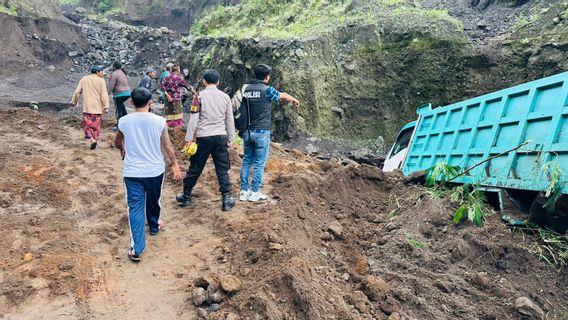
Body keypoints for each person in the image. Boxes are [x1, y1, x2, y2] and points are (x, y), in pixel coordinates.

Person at [114, 87, 182, 262]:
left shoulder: (124, 121)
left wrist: (122, 149)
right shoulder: (159, 121)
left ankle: (137, 249)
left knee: (135, 208)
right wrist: (174, 164)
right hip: (155, 170)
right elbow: (167, 146)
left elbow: (117, 140)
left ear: (131, 102)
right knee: (154, 200)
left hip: (133, 172)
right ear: (151, 103)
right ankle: (154, 225)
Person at [238, 64, 300, 202]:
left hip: (247, 131)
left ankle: (243, 191)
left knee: (247, 161)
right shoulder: (267, 90)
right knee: (259, 163)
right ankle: (255, 192)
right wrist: (294, 99)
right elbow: (281, 95)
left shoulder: (246, 89)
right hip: (261, 131)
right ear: (267, 77)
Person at [176, 69, 236, 211]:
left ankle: (186, 195)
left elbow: (193, 119)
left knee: (196, 166)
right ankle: (226, 199)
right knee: (222, 168)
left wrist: (189, 139)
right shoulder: (225, 97)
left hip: (204, 137)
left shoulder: (199, 97)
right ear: (218, 82)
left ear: (204, 81)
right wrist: (231, 138)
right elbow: (229, 119)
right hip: (221, 136)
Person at [71, 66, 109, 150]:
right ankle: (94, 140)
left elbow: (77, 91)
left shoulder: (84, 79)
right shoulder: (101, 81)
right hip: (97, 109)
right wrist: (106, 106)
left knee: (87, 126)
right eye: (102, 72)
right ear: (98, 72)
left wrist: (74, 101)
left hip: (87, 108)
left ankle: (92, 140)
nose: (102, 74)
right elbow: (104, 95)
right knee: (96, 126)